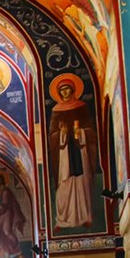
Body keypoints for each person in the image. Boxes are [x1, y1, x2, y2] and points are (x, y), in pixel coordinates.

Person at [49, 77, 93, 230]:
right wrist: (62, 134)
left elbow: (90, 130)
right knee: (64, 183)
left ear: (73, 90)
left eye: (67, 88)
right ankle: (63, 219)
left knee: (81, 181)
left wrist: (79, 132)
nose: (65, 92)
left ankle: (85, 217)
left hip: (80, 150)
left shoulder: (81, 107)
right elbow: (52, 135)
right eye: (62, 90)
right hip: (64, 153)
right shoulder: (56, 110)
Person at [0, 173, 27, 258]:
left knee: (7, 232)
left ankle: (19, 254)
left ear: (3, 180)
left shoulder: (6, 191)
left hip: (6, 213)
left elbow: (5, 205)